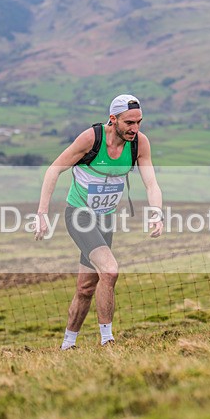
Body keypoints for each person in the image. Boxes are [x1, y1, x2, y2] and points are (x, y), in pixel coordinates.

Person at [35, 94, 163, 349]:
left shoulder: (139, 143)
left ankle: (67, 344)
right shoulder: (91, 139)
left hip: (105, 220)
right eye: (129, 123)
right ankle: (108, 340)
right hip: (79, 216)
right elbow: (54, 169)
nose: (134, 128)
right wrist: (42, 213)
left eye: (139, 122)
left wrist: (156, 212)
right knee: (110, 270)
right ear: (113, 119)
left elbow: (151, 183)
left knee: (86, 287)